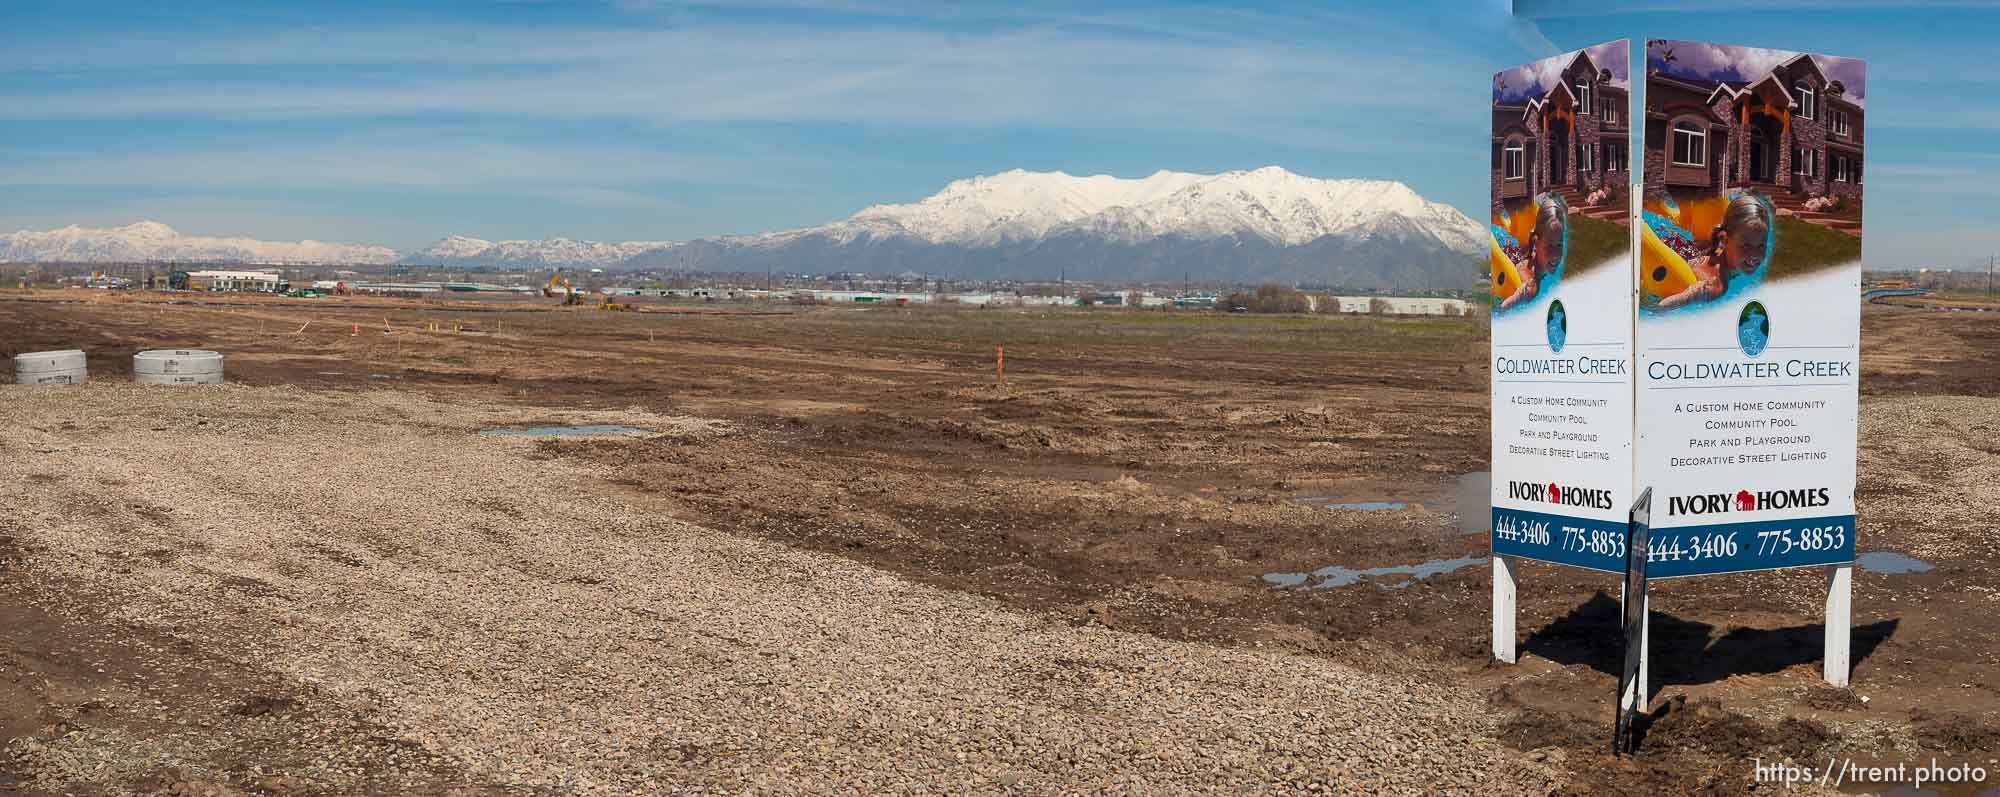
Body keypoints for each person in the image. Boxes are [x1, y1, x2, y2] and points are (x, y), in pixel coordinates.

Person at [1658, 192, 1772, 310]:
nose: (1754, 255)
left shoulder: (1715, 247)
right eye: (1746, 246)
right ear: (1725, 240)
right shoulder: (1717, 285)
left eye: (1761, 246)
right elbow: (1664, 305)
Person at [1499, 194, 1566, 311]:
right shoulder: (1527, 280)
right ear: (1536, 242)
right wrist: (1521, 294)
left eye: (1559, 245)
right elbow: (1501, 309)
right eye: (1550, 246)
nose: (1555, 254)